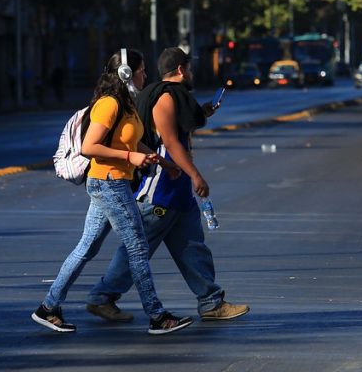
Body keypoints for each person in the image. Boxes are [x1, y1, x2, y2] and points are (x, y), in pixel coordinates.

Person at [31, 48, 192, 335]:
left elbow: (131, 142)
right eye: (141, 70)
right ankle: (157, 316)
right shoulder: (109, 104)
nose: (145, 75)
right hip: (109, 183)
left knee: (87, 248)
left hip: (112, 183)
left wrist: (165, 163)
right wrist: (130, 159)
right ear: (126, 73)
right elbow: (89, 147)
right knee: (138, 247)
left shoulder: (128, 103)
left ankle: (48, 307)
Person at [85, 47, 250, 323]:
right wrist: (196, 175)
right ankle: (102, 296)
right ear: (182, 70)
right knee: (137, 248)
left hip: (177, 189)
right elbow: (170, 142)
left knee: (193, 246)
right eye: (190, 68)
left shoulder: (174, 96)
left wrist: (204, 113)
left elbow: (179, 130)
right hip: (161, 189)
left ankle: (211, 302)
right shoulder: (166, 97)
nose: (192, 73)